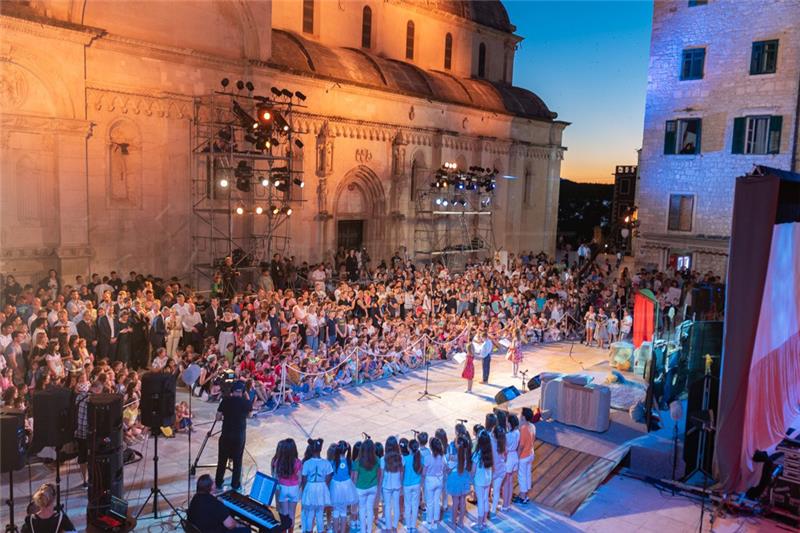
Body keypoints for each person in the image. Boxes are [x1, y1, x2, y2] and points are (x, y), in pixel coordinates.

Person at [215, 381, 252, 491]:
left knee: (222, 460)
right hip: (239, 436)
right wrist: (246, 396)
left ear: (232, 391)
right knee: (237, 461)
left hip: (226, 435)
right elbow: (250, 415)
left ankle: (218, 482)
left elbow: (218, 417)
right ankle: (235, 484)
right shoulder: (246, 402)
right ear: (243, 392)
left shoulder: (225, 401)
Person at [300, 438, 332, 533]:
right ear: (320, 449)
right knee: (319, 514)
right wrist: (323, 484)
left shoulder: (307, 463)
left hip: (310, 488)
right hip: (321, 488)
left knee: (310, 514)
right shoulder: (326, 463)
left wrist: (305, 492)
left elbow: (304, 479)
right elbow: (330, 475)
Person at [272, 439, 302, 532]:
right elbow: (300, 478)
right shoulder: (297, 462)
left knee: (284, 514)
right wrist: (297, 488)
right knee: (292, 513)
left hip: (282, 488)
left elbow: (275, 477)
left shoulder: (278, 461)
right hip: (294, 488)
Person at [353, 439, 380, 533]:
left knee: (362, 509)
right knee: (370, 509)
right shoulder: (376, 459)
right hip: (373, 487)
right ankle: (369, 530)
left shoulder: (358, 461)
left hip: (361, 489)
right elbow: (378, 474)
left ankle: (363, 530)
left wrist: (354, 489)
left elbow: (355, 477)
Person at [381, 436, 403, 533]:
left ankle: (388, 528)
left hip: (386, 486)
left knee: (387, 506)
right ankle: (394, 528)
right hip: (397, 484)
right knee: (396, 506)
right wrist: (401, 482)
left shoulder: (383, 459)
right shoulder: (400, 458)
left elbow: (381, 475)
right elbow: (402, 472)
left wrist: (379, 485)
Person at [516, 407, 536, 504]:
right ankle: (525, 493)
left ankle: (522, 497)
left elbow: (521, 445)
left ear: (523, 417)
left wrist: (517, 457)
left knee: (521, 476)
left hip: (524, 456)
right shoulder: (532, 426)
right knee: (528, 474)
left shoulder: (524, 429)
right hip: (531, 454)